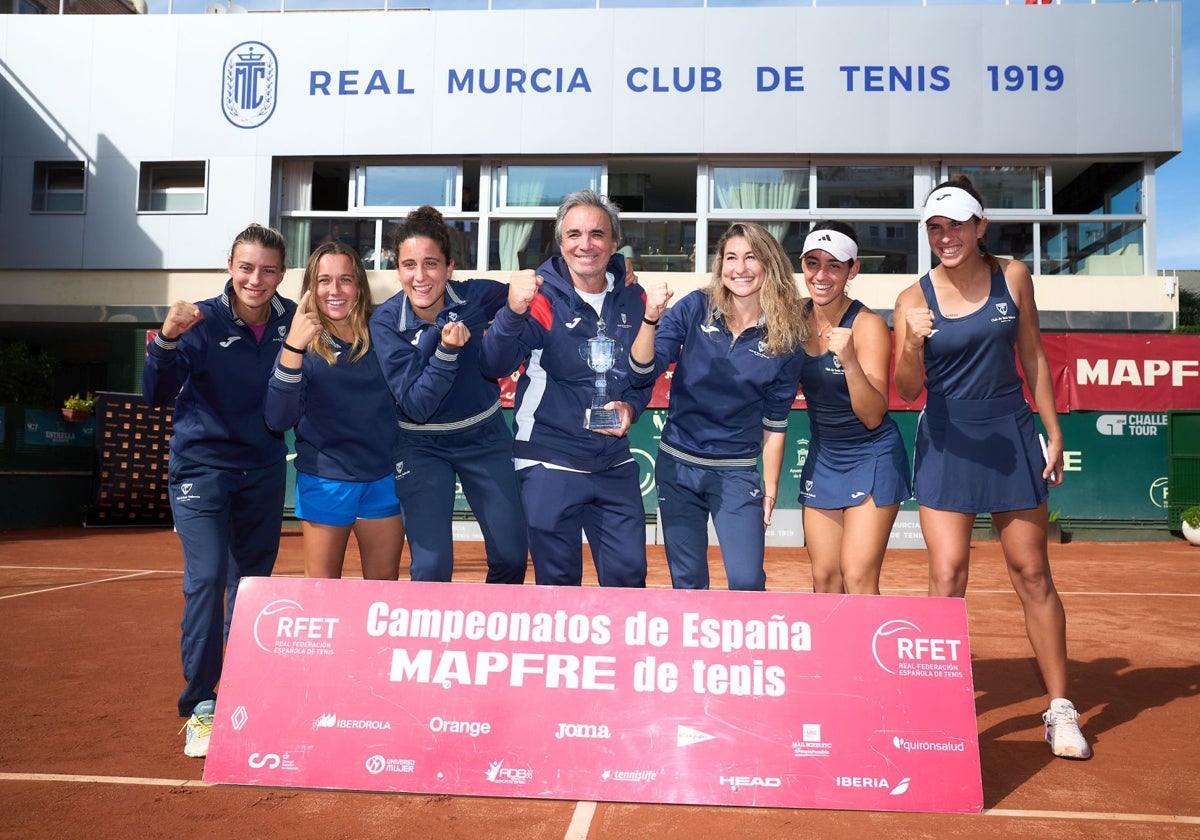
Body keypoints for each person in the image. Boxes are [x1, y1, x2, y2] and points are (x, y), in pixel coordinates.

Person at [892, 176, 1090, 760]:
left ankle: (1060, 709)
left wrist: (1051, 430)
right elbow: (907, 389)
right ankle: (936, 705)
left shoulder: (1014, 276)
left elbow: (1032, 352)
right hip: (947, 437)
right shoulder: (911, 299)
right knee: (948, 574)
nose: (946, 237)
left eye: (956, 225)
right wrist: (910, 344)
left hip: (1009, 431)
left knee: (1031, 572)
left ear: (980, 227)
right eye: (935, 228)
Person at [141, 223, 295, 759]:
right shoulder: (200, 321)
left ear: (281, 272)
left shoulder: (295, 320)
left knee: (251, 590)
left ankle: (242, 695)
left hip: (264, 469)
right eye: (247, 267)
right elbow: (155, 394)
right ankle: (202, 706)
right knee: (207, 581)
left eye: (269, 269)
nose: (257, 279)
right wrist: (166, 340)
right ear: (230, 266)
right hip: (202, 470)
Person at [479, 189, 652, 588]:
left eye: (596, 234)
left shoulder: (633, 298)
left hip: (613, 463)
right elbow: (493, 364)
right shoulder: (541, 297)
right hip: (548, 461)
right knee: (558, 588)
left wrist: (630, 408)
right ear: (561, 242)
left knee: (629, 581)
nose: (585, 244)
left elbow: (641, 377)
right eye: (573, 234)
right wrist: (511, 311)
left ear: (613, 243)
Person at [628, 222, 805, 591]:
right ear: (720, 264)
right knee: (688, 584)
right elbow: (644, 368)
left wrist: (770, 491)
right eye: (731, 258)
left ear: (769, 264)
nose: (739, 268)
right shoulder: (695, 308)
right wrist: (650, 318)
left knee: (746, 582)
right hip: (677, 468)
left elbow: (775, 424)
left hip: (736, 473)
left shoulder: (786, 336)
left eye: (751, 257)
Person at [370, 206, 527, 584]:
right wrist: (446, 352)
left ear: (449, 266)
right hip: (420, 446)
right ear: (398, 269)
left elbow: (539, 289)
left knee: (511, 556)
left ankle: (491, 637)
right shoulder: (387, 321)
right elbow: (417, 405)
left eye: (430, 264)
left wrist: (616, 271)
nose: (420, 276)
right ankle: (433, 644)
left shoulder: (476, 297)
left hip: (484, 438)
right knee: (430, 569)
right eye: (409, 265)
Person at [264, 242, 405, 581]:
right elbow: (278, 419)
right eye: (324, 280)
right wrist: (294, 346)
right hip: (326, 481)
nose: (335, 290)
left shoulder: (383, 331)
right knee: (321, 595)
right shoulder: (300, 343)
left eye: (345, 279)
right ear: (312, 288)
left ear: (359, 285)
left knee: (382, 596)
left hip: (383, 478)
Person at [797, 222, 911, 595]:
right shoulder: (793, 319)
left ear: (853, 270)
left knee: (858, 576)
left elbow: (873, 413)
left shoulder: (869, 326)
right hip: (824, 455)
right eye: (813, 263)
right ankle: (834, 657)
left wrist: (849, 362)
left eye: (834, 265)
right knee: (825, 578)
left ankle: (864, 655)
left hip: (872, 455)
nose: (822, 274)